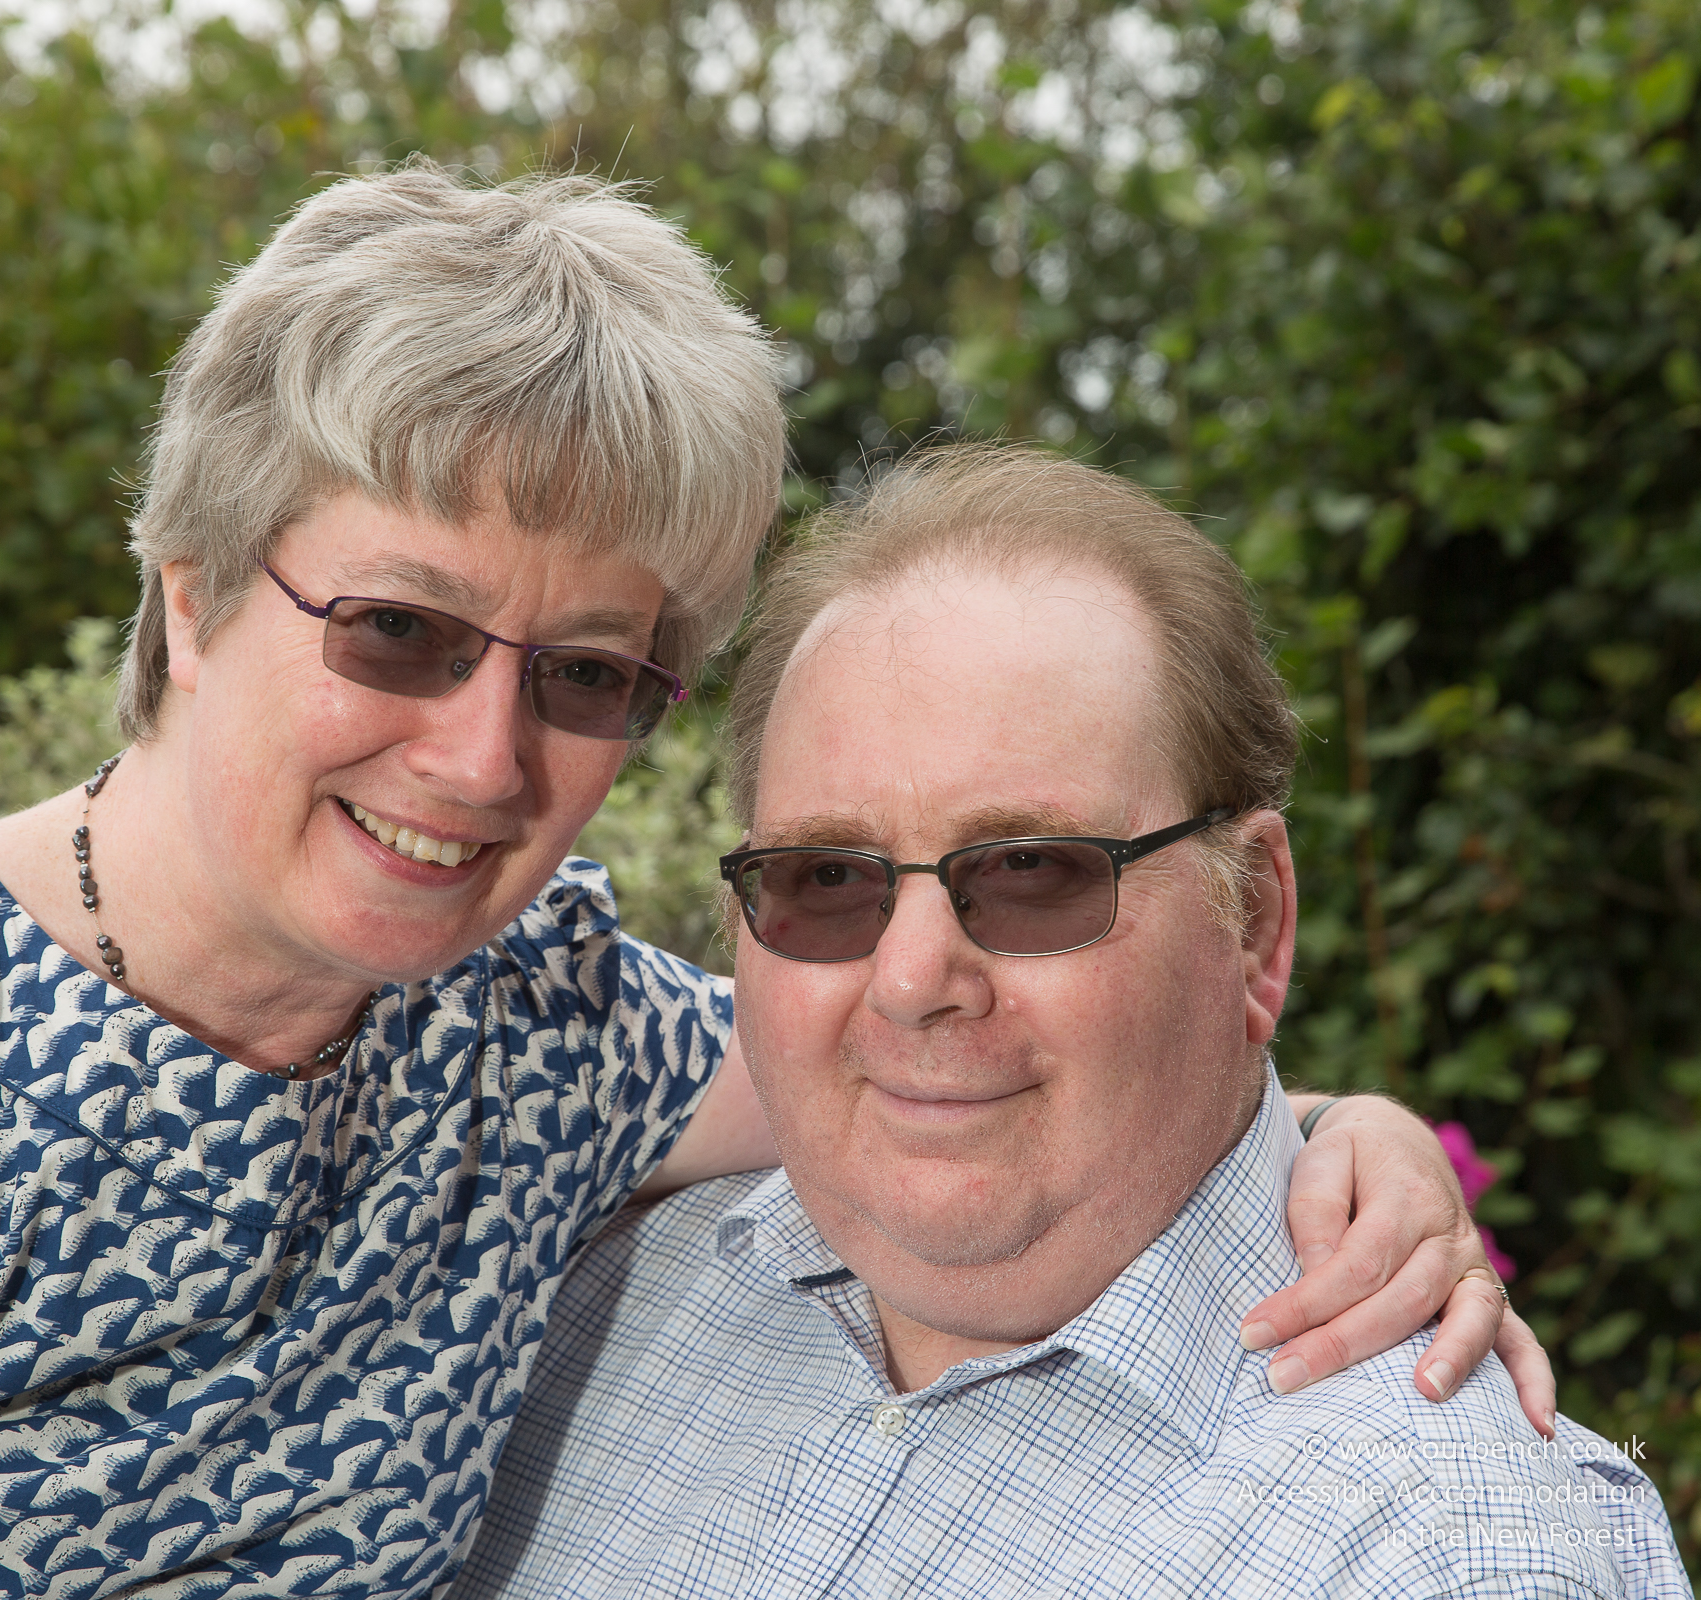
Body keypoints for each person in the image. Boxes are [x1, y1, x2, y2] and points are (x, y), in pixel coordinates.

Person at [0, 171, 1545, 1600]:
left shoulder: (543, 1036)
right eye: (401, 630)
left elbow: (957, 1057)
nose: (481, 759)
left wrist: (1345, 1144)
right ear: (191, 591)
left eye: (585, 674)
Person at [454, 445, 1690, 1600]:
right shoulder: (545, 1280)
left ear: (1253, 920)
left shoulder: (1442, 1554)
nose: (910, 979)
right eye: (825, 878)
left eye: (1031, 872)